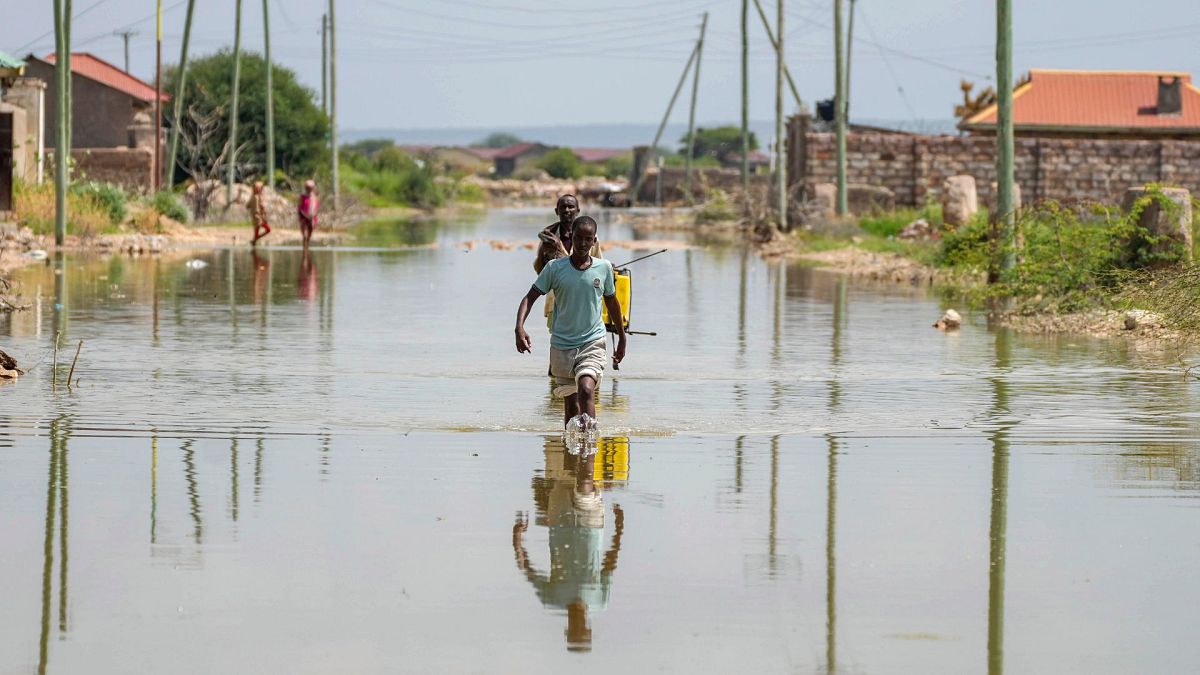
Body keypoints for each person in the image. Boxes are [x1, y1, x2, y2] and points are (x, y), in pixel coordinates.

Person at [516, 216, 626, 430]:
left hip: (592, 342)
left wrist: (621, 337)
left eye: (588, 239)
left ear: (594, 241)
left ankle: (589, 445)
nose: (583, 244)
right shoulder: (555, 268)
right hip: (562, 346)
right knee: (571, 404)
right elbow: (530, 297)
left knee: (586, 389)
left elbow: (613, 303)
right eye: (578, 238)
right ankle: (572, 453)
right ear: (571, 237)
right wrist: (519, 327)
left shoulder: (603, 268)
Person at [534, 194, 602, 331]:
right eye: (563, 207)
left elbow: (599, 268)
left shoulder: (590, 238)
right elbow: (540, 271)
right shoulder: (549, 237)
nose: (567, 210)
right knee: (561, 343)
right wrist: (544, 252)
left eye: (571, 206)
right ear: (556, 211)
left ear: (577, 211)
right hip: (557, 301)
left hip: (585, 302)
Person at [248, 181, 271, 246]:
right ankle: (254, 240)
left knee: (256, 233)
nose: (260, 189)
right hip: (258, 217)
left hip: (257, 216)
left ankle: (254, 242)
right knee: (268, 229)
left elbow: (248, 206)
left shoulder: (256, 196)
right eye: (258, 188)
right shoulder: (256, 197)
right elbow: (259, 207)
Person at [298, 179, 319, 248]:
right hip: (303, 216)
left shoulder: (314, 197)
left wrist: (312, 216)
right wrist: (304, 215)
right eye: (307, 187)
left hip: (312, 217)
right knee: (304, 235)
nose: (309, 189)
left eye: (310, 188)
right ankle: (305, 249)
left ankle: (307, 248)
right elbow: (300, 207)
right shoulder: (302, 197)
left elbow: (316, 208)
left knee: (309, 234)